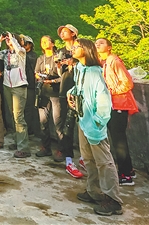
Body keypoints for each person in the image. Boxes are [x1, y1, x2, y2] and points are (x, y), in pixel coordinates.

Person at [69, 38, 123, 216]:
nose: (73, 48)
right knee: (88, 159)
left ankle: (113, 199)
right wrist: (72, 93)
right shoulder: (79, 68)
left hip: (93, 123)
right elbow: (80, 88)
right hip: (83, 119)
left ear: (85, 50)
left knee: (104, 162)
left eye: (77, 46)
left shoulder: (95, 72)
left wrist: (99, 122)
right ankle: (94, 191)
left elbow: (103, 100)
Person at [96, 38, 138, 185]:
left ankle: (125, 175)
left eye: (101, 43)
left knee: (119, 139)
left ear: (109, 47)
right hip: (113, 104)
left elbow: (127, 83)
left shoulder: (113, 60)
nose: (98, 44)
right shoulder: (104, 62)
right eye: (96, 43)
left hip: (120, 103)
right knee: (119, 138)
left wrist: (110, 92)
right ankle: (129, 169)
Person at [0, 32, 30, 158]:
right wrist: (1, 39)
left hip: (19, 86)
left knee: (19, 117)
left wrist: (12, 39)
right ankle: (17, 141)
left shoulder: (22, 52)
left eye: (11, 39)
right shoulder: (5, 53)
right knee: (12, 115)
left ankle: (24, 148)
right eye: (7, 39)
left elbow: (19, 49)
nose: (8, 41)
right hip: (7, 86)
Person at [56, 24, 83, 179]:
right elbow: (60, 73)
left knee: (84, 126)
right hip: (65, 88)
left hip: (81, 89)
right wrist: (60, 65)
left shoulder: (81, 49)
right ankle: (69, 160)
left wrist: (73, 62)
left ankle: (84, 158)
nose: (62, 34)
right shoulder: (61, 52)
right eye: (61, 32)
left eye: (65, 31)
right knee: (67, 125)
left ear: (73, 33)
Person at [23, 36, 42, 140]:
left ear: (30, 45)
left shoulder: (33, 56)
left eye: (25, 43)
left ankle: (28, 130)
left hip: (30, 85)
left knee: (29, 109)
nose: (23, 46)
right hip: (22, 84)